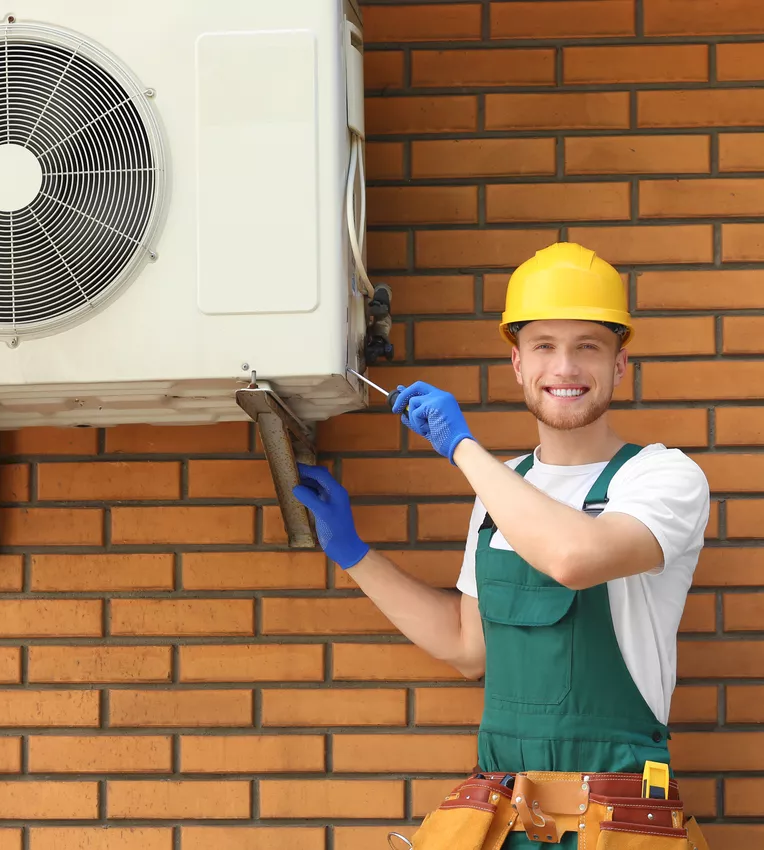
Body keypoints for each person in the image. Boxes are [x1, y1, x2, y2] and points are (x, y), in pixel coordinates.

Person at [292, 242, 711, 843]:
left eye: (587, 347)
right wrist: (354, 553)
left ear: (620, 364)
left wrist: (463, 448)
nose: (564, 368)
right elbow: (467, 648)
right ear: (517, 364)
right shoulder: (500, 490)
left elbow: (574, 557)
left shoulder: (661, 477)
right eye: (544, 346)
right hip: (505, 821)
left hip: (615, 822)